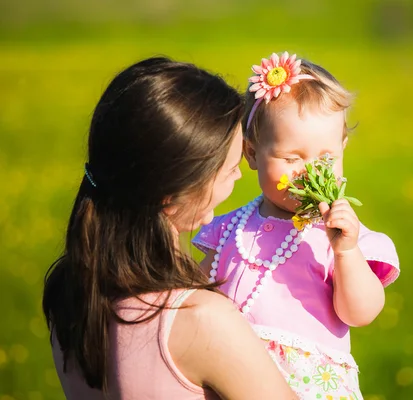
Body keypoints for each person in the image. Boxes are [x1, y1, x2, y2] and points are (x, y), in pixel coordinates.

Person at [42, 57, 298, 399]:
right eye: (231, 169)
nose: (239, 176)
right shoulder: (201, 320)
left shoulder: (70, 294)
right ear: (170, 198)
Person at [193, 52, 400, 399]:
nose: (311, 172)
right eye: (292, 158)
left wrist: (346, 252)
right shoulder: (230, 229)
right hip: (234, 379)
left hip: (313, 385)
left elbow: (361, 312)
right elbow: (196, 294)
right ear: (252, 153)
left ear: (343, 148)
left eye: (326, 158)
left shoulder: (343, 236)